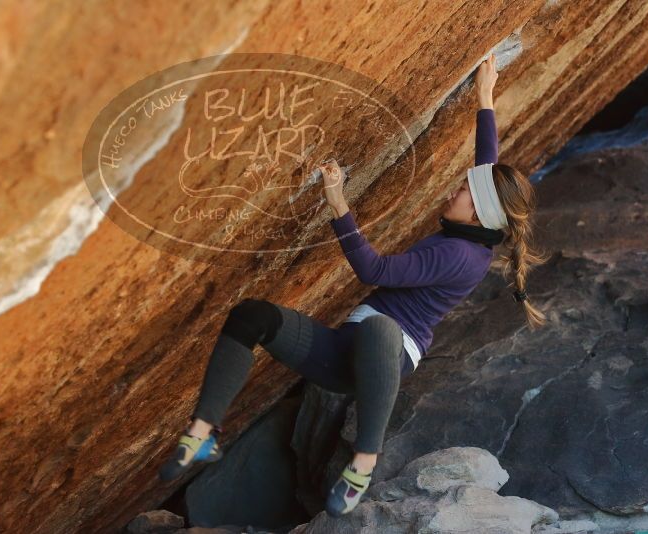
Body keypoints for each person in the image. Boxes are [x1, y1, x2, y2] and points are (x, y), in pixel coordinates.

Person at [157, 53, 548, 518]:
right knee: (252, 316)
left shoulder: (458, 254)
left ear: (480, 212)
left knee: (381, 327)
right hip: (340, 352)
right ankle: (203, 432)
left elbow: (375, 272)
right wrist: (484, 95)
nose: (454, 190)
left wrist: (338, 203)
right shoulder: (477, 227)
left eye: (464, 192)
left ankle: (363, 463)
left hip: (386, 358)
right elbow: (488, 163)